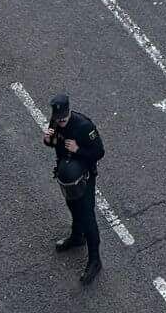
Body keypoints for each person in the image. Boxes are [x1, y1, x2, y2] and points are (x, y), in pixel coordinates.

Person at [44, 93, 106, 285]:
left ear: (69, 112)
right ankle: (77, 237)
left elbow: (99, 152)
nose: (60, 123)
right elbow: (54, 143)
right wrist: (48, 139)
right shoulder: (56, 121)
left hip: (84, 177)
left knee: (87, 216)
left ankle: (95, 260)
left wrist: (78, 150)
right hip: (67, 176)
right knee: (72, 205)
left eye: (63, 119)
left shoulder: (84, 126)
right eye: (58, 120)